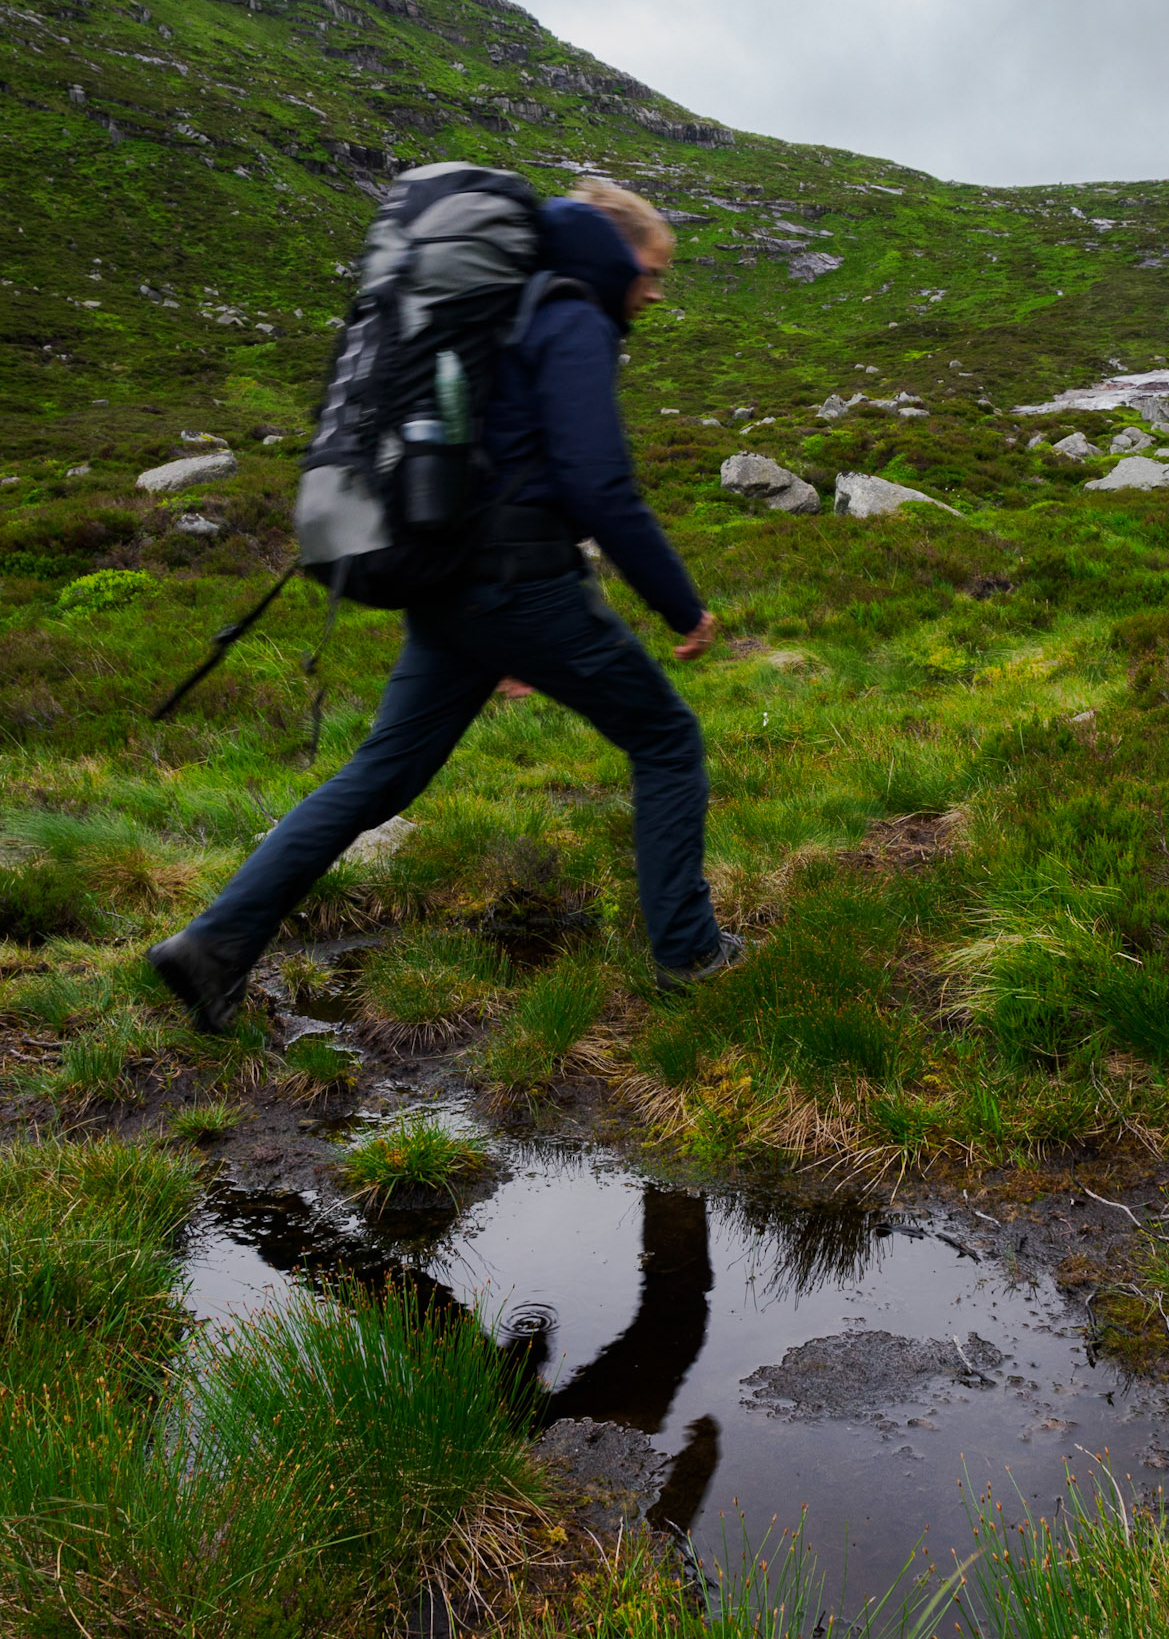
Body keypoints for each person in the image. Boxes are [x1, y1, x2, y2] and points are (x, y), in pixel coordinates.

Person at [149, 178, 739, 1031]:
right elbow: (600, 484)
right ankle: (690, 954)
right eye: (653, 271)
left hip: (453, 585)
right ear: (615, 255)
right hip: (521, 583)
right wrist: (683, 607)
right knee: (668, 739)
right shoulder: (572, 314)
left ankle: (211, 946)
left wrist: (499, 640)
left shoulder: (510, 310)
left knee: (380, 774)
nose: (655, 293)